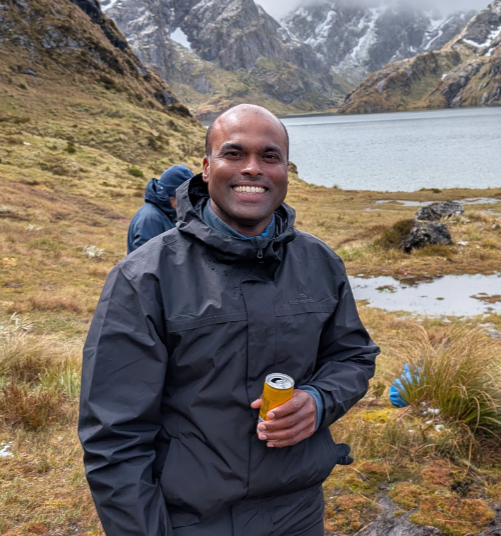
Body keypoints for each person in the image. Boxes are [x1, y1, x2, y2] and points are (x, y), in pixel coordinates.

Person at [79, 104, 380, 536]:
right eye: (234, 154)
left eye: (270, 156)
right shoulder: (145, 276)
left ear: (286, 170)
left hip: (298, 515)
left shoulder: (320, 262)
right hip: (192, 521)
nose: (253, 169)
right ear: (206, 167)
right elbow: (114, 435)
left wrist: (317, 400)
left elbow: (352, 357)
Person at [126, 164, 194, 253]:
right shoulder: (151, 219)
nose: (187, 203)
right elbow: (146, 261)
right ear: (172, 195)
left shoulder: (169, 214)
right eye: (185, 198)